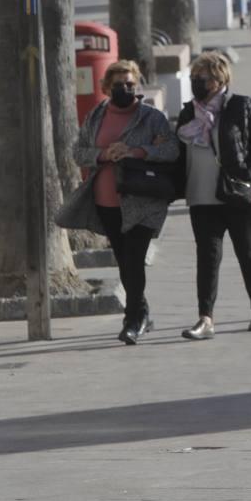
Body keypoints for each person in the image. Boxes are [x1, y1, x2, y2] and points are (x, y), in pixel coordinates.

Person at [56, 60, 177, 344]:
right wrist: (103, 154)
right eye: (119, 84)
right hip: (106, 201)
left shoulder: (151, 117)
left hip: (142, 200)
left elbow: (170, 150)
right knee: (124, 262)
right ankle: (143, 312)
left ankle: (132, 320)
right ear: (107, 87)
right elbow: (78, 152)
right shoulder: (97, 115)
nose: (125, 89)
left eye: (130, 84)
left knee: (134, 260)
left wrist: (136, 151)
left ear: (138, 85)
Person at [175, 52, 251, 340]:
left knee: (247, 251)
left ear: (219, 80)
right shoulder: (188, 113)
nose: (196, 83)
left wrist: (246, 172)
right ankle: (205, 319)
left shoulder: (241, 106)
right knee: (207, 257)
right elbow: (177, 152)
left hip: (240, 195)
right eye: (194, 78)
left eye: (201, 79)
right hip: (201, 195)